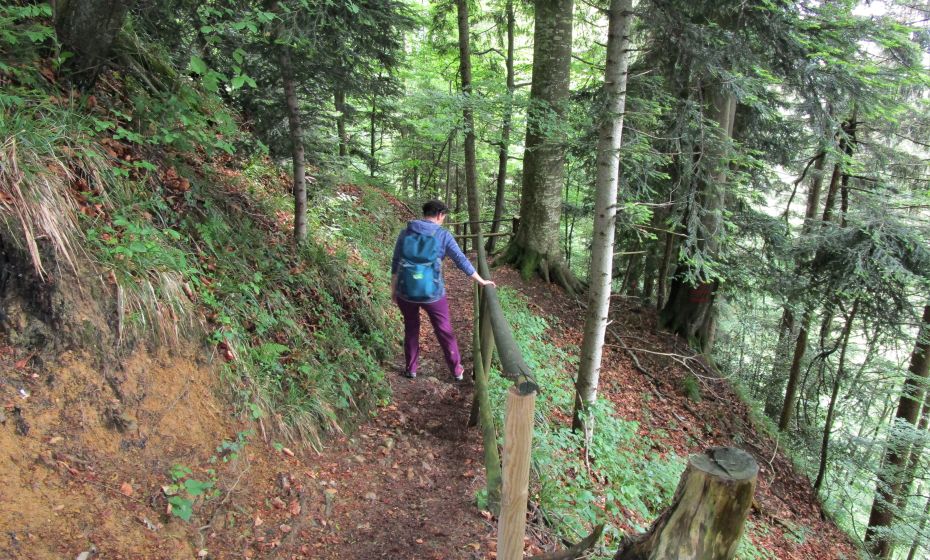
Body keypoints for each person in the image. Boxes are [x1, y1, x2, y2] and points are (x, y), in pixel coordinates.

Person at [391, 200, 495, 380]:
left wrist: (393, 289)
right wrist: (481, 281)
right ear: (440, 214)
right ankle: (456, 370)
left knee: (411, 327)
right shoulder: (443, 235)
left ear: (425, 213)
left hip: (405, 290)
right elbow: (461, 260)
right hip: (433, 293)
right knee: (444, 329)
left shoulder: (405, 232)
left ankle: (411, 369)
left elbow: (396, 262)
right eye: (444, 216)